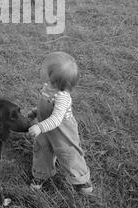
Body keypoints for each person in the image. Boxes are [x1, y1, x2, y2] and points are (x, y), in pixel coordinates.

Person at [28, 51, 93, 195]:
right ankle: (41, 175)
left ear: (59, 82)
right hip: (45, 130)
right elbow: (44, 105)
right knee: (42, 150)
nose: (48, 78)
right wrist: (35, 111)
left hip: (63, 133)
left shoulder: (62, 96)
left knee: (68, 154)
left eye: (51, 77)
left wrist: (39, 126)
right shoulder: (47, 88)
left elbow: (57, 118)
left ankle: (81, 179)